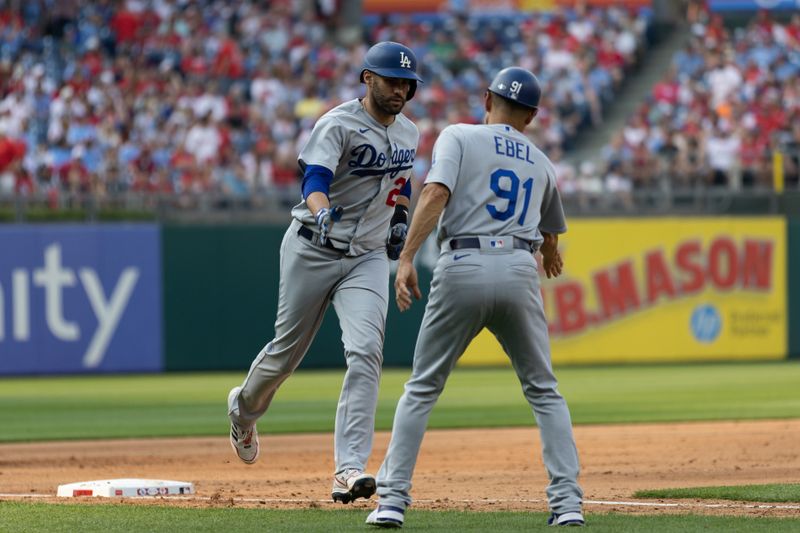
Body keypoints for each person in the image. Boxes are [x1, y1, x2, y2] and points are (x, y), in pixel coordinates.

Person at [365, 67, 584, 528]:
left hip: (464, 261)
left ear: (487, 99)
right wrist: (551, 252)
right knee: (544, 391)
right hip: (520, 269)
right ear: (531, 116)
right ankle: (567, 505)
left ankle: (391, 502)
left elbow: (436, 193)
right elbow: (551, 230)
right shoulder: (541, 160)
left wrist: (406, 258)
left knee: (422, 387)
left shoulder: (459, 136)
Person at [227, 41, 423, 505]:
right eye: (391, 80)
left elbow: (401, 185)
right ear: (367, 78)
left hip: (368, 257)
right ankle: (242, 411)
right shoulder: (337, 123)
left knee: (365, 351)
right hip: (312, 247)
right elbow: (314, 180)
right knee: (285, 355)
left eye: (406, 83)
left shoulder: (410, 132)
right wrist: (320, 212)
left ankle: (348, 469)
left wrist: (399, 221)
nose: (399, 90)